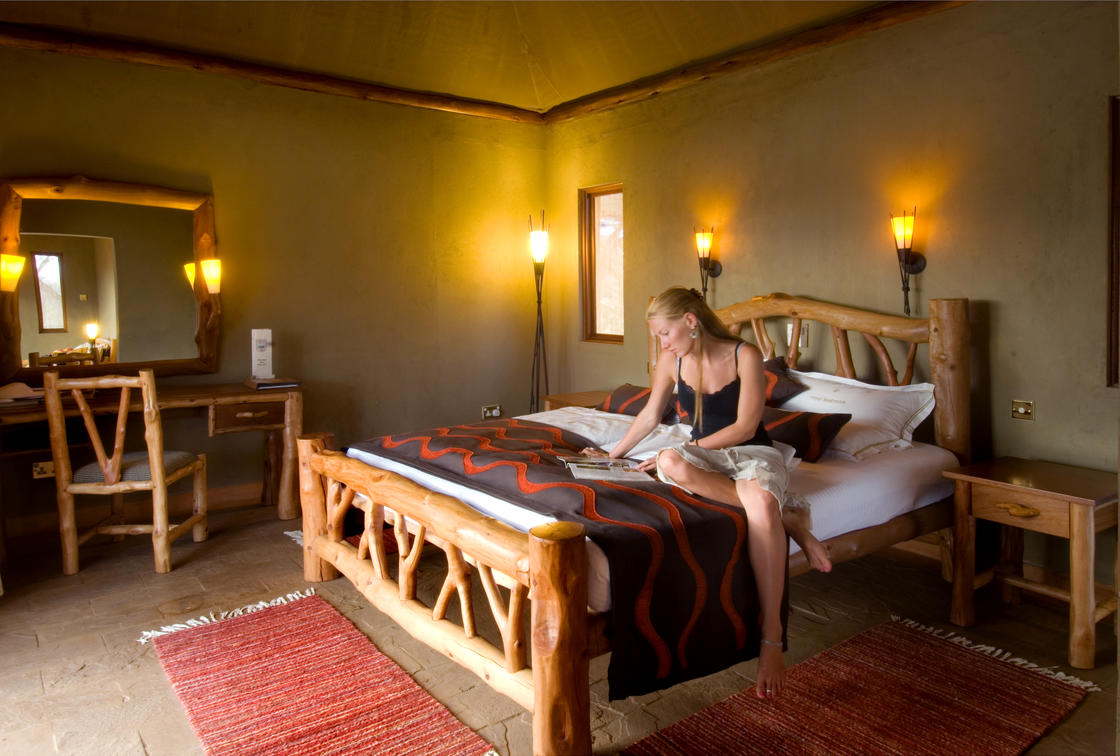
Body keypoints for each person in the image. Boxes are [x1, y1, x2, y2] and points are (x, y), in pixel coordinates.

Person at [584, 286, 830, 699]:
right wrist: (612, 455)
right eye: (659, 336)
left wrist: (688, 448)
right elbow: (650, 414)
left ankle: (771, 638)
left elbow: (745, 427)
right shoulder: (672, 361)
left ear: (690, 321)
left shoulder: (745, 356)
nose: (663, 344)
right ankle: (788, 518)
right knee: (669, 462)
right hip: (705, 457)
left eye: (666, 334)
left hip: (752, 453)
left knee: (743, 493)